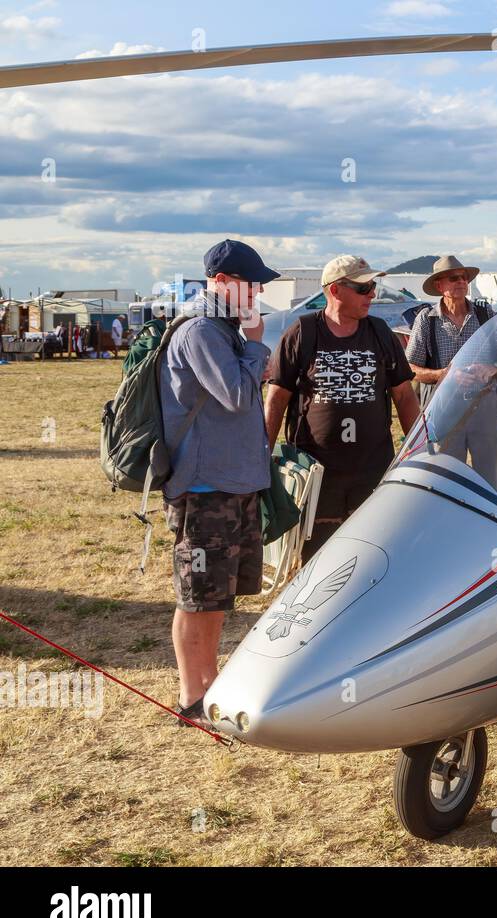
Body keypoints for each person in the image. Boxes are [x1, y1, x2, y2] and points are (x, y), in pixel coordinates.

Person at [162, 238, 280, 729]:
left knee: (216, 595)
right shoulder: (202, 331)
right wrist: (256, 347)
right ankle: (194, 696)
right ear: (224, 283)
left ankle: (209, 686)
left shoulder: (223, 330)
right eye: (252, 284)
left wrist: (252, 349)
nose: (257, 294)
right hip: (205, 487)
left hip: (229, 484)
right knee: (198, 594)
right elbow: (233, 394)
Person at [264, 255, 421, 560]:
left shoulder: (380, 333)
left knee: (370, 549)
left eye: (373, 286)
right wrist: (261, 459)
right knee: (316, 553)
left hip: (373, 467)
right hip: (317, 471)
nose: (372, 294)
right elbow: (276, 399)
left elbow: (404, 395)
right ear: (336, 291)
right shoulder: (302, 332)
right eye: (364, 288)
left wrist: (417, 450)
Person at [404, 255, 497, 495]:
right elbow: (410, 368)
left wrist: (493, 369)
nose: (462, 282)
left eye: (465, 277)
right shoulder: (426, 319)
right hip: (444, 408)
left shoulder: (484, 314)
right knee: (445, 478)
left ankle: (494, 525)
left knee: (492, 479)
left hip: (485, 403)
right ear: (439, 286)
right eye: (454, 278)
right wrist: (443, 375)